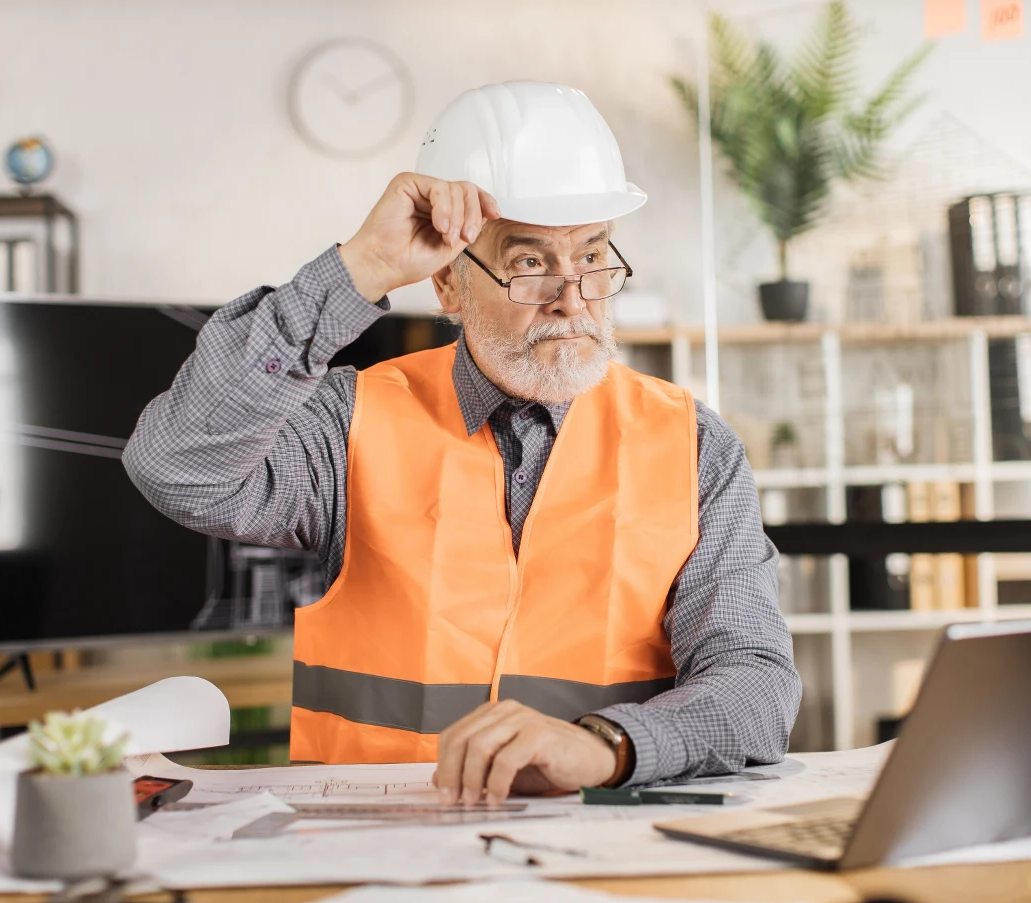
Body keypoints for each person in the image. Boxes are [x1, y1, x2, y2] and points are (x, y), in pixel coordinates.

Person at [123, 81, 800, 808]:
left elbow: (755, 686)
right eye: (530, 262)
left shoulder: (694, 444)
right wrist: (360, 270)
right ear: (449, 284)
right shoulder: (350, 422)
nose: (572, 299)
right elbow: (175, 467)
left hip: (605, 845)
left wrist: (606, 744)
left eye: (594, 256)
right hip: (371, 850)